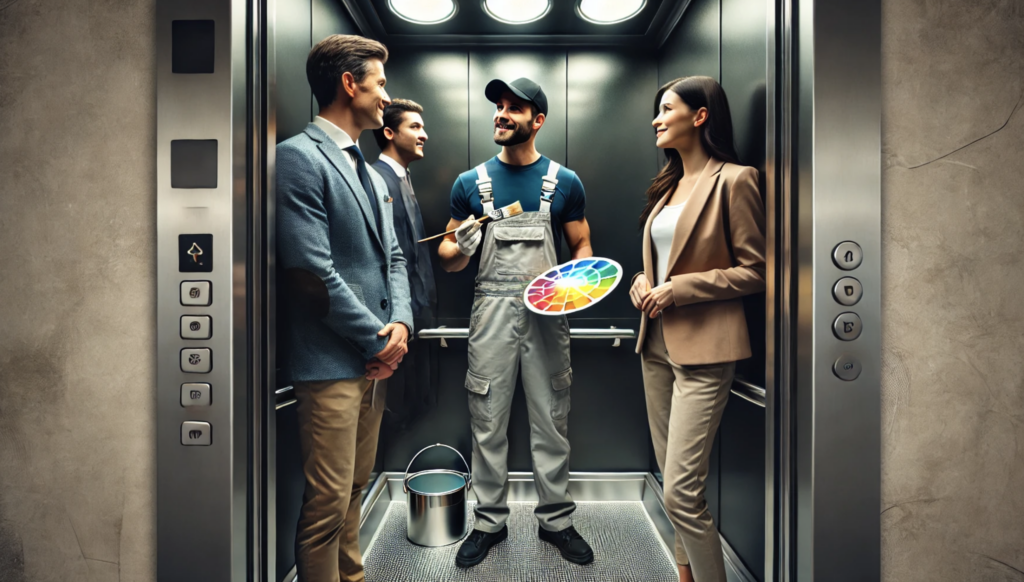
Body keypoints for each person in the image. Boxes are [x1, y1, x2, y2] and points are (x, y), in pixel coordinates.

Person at [438, 77, 595, 568]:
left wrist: (576, 286)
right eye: (498, 107)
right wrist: (458, 245)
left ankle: (557, 522)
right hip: (492, 313)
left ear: (537, 121)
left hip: (548, 313)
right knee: (488, 421)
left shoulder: (564, 182)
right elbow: (447, 258)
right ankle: (489, 522)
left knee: (552, 419)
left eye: (513, 108)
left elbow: (582, 246)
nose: (501, 115)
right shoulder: (471, 184)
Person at [276, 34, 412, 582]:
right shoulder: (298, 158)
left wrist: (400, 324)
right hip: (331, 364)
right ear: (349, 84)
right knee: (328, 504)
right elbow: (312, 275)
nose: (386, 96)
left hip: (375, 363)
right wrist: (378, 341)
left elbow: (395, 258)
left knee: (356, 490)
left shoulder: (369, 171)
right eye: (380, 84)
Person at [629, 76, 766, 582]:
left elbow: (757, 271)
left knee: (681, 492)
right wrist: (644, 282)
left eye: (666, 109)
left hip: (708, 351)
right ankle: (684, 574)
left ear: (701, 115)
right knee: (672, 481)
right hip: (656, 345)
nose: (656, 119)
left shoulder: (736, 179)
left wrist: (680, 289)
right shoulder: (667, 187)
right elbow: (662, 263)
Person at [371, 99, 438, 430]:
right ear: (389, 133)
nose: (424, 134)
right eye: (415, 127)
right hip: (394, 329)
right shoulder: (376, 180)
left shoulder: (402, 179)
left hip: (414, 324)